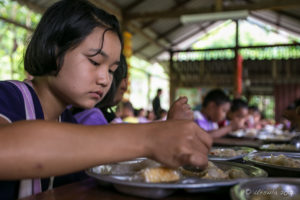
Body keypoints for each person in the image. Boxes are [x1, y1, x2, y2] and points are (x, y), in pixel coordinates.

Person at [0, 0, 212, 199]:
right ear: (54, 49)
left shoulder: (66, 120)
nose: (105, 79)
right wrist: (148, 138)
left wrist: (166, 134)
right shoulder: (9, 97)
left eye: (111, 70)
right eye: (94, 62)